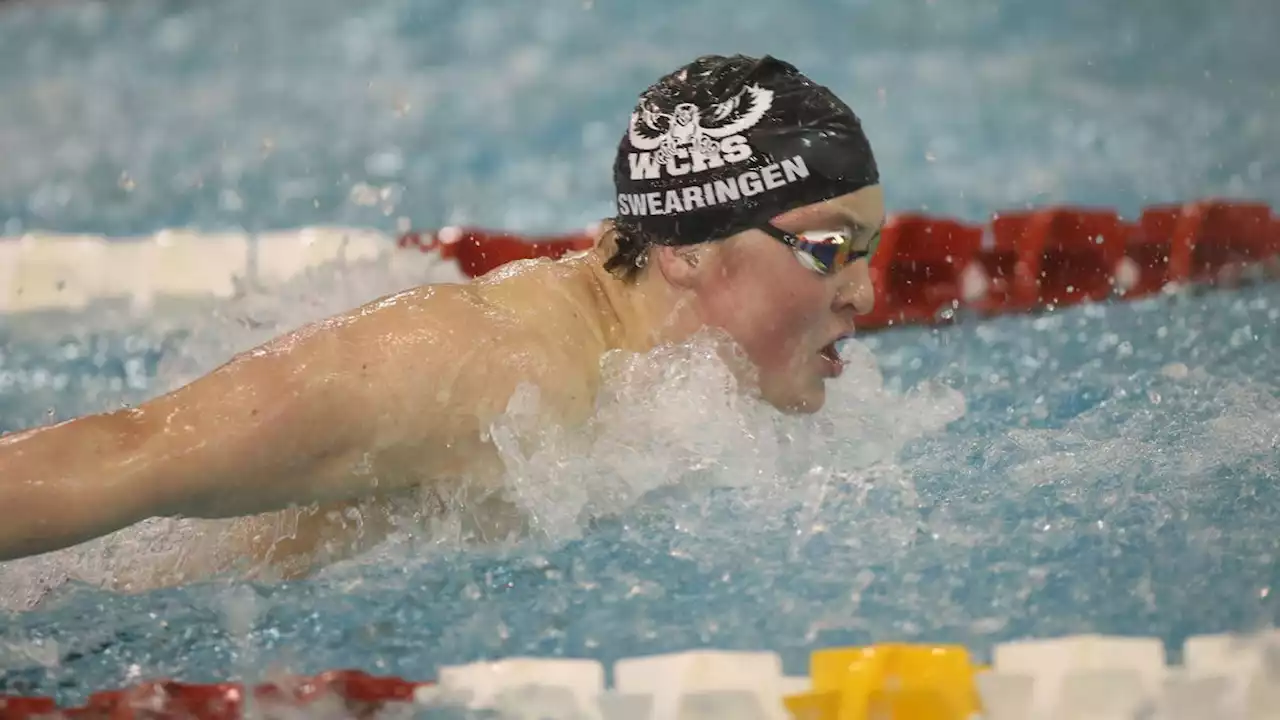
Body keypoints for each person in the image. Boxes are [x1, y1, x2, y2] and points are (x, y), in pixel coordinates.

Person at [0, 54, 885, 582]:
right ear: (686, 250)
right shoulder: (476, 366)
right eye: (828, 249)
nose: (866, 294)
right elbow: (128, 450)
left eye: (871, 251)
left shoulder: (662, 395)